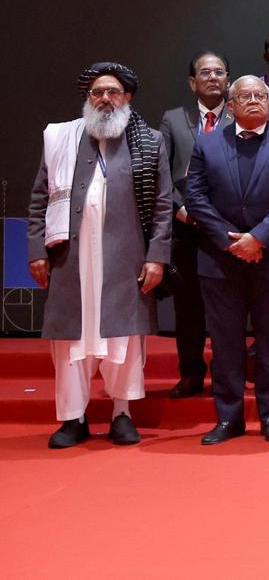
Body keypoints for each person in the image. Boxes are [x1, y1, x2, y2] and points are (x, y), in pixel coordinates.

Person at [28, 63, 173, 448]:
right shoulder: (61, 139)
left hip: (126, 259)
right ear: (88, 99)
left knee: (123, 338)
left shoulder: (150, 142)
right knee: (71, 341)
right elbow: (39, 199)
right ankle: (73, 418)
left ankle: (121, 412)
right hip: (69, 257)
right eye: (97, 93)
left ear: (127, 99)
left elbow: (162, 207)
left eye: (112, 92)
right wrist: (35, 250)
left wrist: (157, 257)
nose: (104, 99)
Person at [184, 75, 269, 444]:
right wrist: (231, 241)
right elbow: (195, 197)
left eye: (260, 95)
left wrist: (258, 238)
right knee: (225, 344)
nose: (255, 101)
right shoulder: (207, 144)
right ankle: (229, 418)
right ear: (231, 104)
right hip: (220, 259)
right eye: (245, 96)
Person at [157, 50, 230, 398]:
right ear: (192, 82)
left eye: (219, 72)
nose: (213, 78)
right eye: (205, 73)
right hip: (185, 229)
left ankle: (225, 374)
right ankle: (190, 373)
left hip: (226, 229)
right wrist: (181, 209)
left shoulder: (240, 117)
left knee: (227, 307)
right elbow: (161, 175)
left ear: (228, 79)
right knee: (188, 307)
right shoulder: (174, 120)